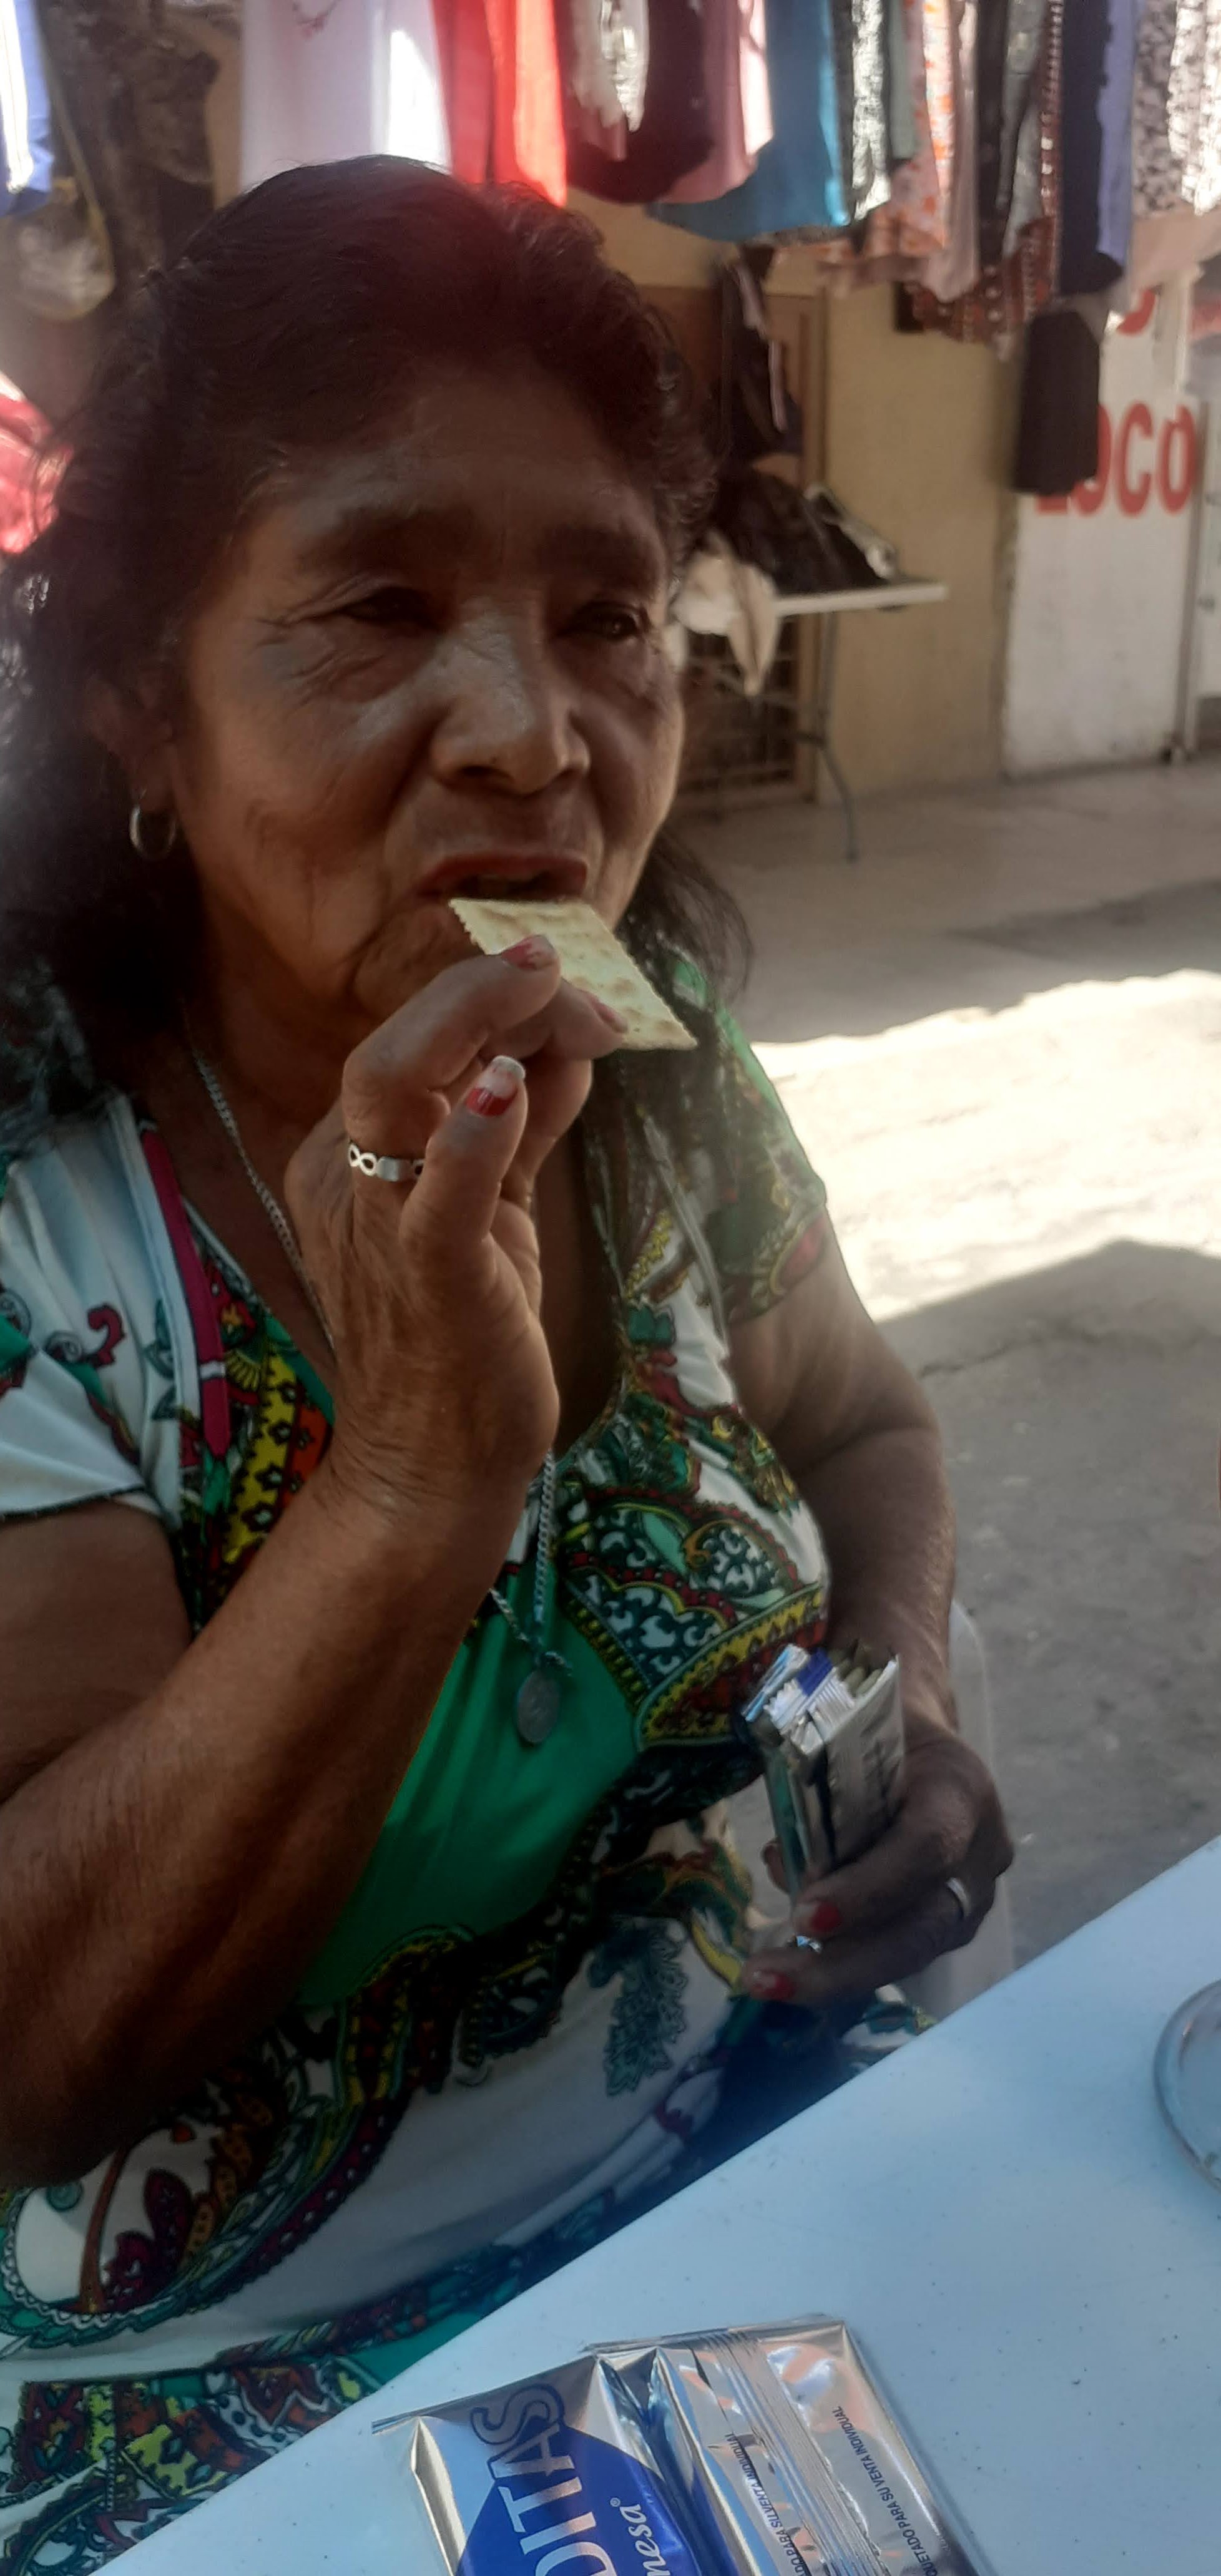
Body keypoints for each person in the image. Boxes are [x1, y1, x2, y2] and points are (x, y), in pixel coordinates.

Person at [0, 159, 1012, 2567]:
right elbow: (35, 2057)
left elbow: (860, 1422)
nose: (533, 734)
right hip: (247, 2403)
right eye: (377, 605)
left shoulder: (658, 1077)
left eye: (607, 618)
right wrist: (411, 1488)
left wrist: (903, 1700)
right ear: (144, 696)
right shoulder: (40, 1224)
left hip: (761, 2180)